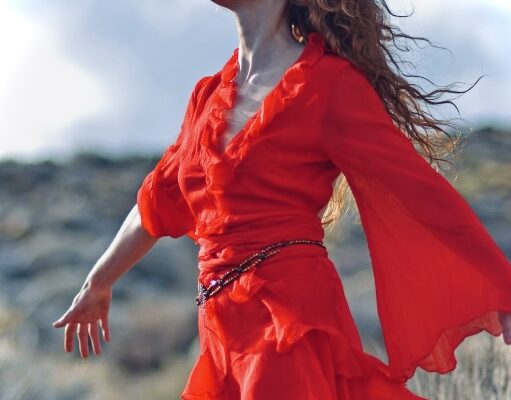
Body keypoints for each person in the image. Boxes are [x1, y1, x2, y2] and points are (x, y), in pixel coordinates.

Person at [53, 0, 511, 398]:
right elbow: (157, 201)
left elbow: (418, 192)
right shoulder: (208, 97)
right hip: (221, 334)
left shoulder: (328, 85)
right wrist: (99, 282)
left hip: (288, 321)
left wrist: (500, 287)